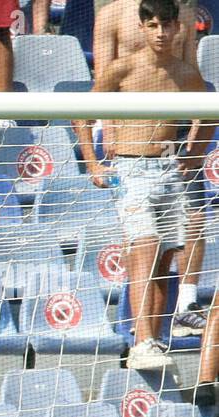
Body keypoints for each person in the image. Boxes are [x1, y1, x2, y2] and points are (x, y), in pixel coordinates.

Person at [75, 0, 212, 372]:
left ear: (178, 29)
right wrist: (92, 163)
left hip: (170, 171)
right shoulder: (124, 68)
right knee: (144, 252)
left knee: (165, 260)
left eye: (167, 26)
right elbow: (81, 114)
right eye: (153, 26)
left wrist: (194, 155)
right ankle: (141, 341)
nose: (161, 33)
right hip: (133, 171)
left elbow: (209, 115)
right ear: (142, 28)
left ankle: (155, 337)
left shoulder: (184, 73)